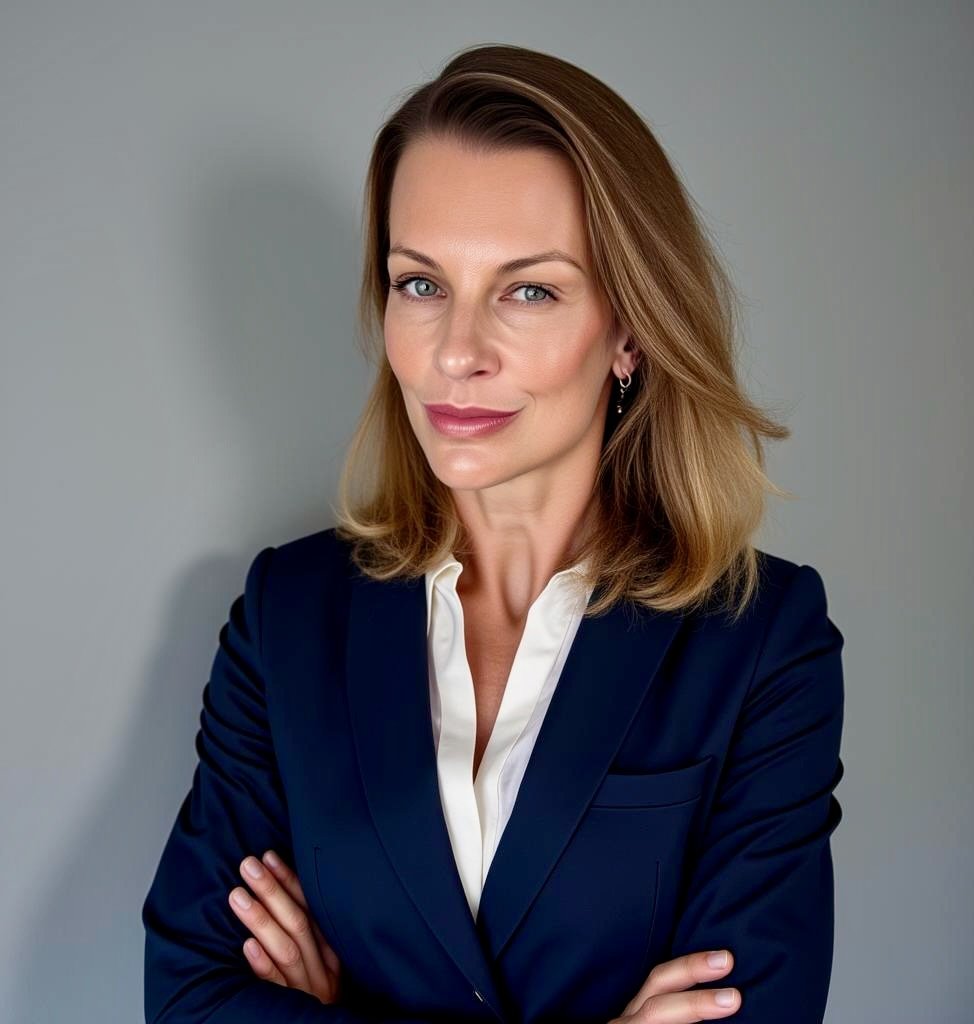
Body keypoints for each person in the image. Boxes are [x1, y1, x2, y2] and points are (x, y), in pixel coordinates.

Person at [141, 43, 845, 1024]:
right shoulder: (286, 617)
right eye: (420, 283)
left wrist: (342, 1008)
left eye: (528, 290)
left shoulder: (762, 641)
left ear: (630, 328)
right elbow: (188, 998)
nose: (455, 351)